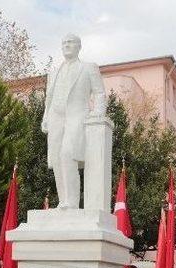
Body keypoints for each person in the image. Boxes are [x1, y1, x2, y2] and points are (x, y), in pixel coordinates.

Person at [41, 33, 107, 209]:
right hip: (56, 118)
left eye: (70, 42)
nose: (66, 45)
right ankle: (63, 200)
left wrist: (98, 114)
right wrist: (45, 116)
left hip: (77, 117)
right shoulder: (54, 72)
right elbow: (50, 96)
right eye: (64, 43)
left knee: (68, 155)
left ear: (79, 46)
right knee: (56, 159)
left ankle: (71, 202)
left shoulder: (88, 67)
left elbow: (99, 93)